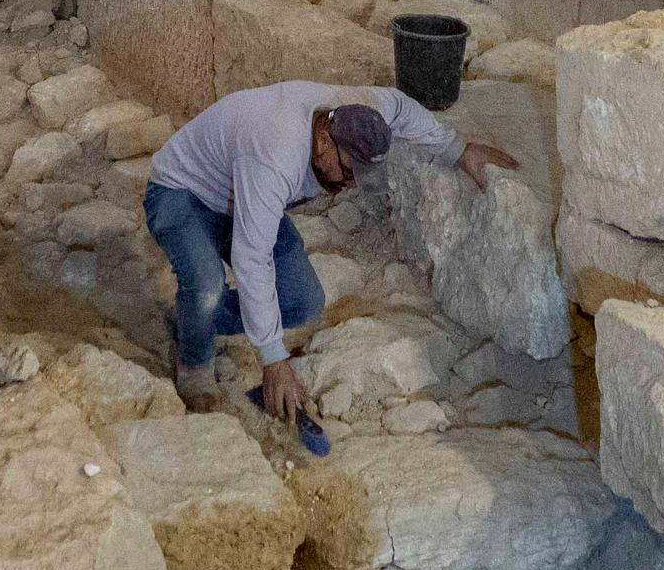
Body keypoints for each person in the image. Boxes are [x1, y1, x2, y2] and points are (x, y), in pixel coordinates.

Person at [142, 81, 518, 419]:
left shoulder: (360, 108)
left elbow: (402, 107)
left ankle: (196, 320)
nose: (350, 184)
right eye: (347, 171)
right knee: (207, 286)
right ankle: (195, 359)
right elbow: (251, 258)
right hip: (181, 192)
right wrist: (274, 361)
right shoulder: (276, 156)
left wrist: (458, 149)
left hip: (242, 196)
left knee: (302, 300)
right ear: (324, 141)